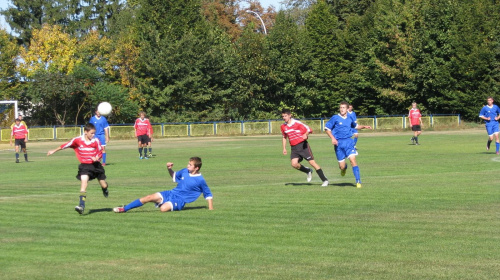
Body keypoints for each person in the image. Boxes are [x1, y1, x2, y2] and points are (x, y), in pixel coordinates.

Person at [47, 123, 109, 214]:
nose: (93, 135)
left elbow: (100, 151)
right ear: (85, 132)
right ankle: (81, 205)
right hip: (85, 166)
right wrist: (53, 150)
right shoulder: (77, 140)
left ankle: (105, 189)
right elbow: (65, 145)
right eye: (91, 133)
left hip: (96, 166)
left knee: (103, 184)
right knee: (84, 183)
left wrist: (97, 158)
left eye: (94, 133)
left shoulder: (96, 141)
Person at [113, 157, 213, 213]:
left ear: (197, 168)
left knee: (163, 209)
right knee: (148, 197)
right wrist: (169, 169)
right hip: (171, 193)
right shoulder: (184, 171)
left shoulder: (200, 180)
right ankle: (124, 209)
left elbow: (208, 194)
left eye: (190, 165)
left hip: (180, 200)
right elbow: (174, 176)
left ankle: (163, 203)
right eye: (188, 163)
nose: (187, 166)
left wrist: (211, 209)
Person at [324, 101, 372, 188]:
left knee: (353, 160)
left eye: (343, 108)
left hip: (349, 142)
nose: (342, 109)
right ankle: (344, 169)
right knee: (342, 166)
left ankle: (358, 181)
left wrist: (364, 126)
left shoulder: (350, 118)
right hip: (338, 143)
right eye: (340, 107)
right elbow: (327, 129)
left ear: (347, 109)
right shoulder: (335, 118)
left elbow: (356, 126)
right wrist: (333, 138)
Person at [281, 109, 329, 187]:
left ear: (290, 115)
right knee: (294, 164)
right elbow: (284, 137)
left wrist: (306, 134)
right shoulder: (283, 126)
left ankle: (325, 180)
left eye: (285, 116)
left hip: (303, 146)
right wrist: (284, 148)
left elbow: (309, 129)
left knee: (312, 163)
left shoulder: (297, 123)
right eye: (283, 116)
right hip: (294, 148)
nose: (284, 118)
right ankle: (308, 170)